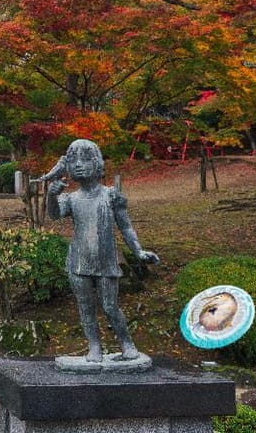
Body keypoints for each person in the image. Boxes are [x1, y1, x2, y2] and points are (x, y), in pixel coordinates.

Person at [40, 139, 159, 362]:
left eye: (85, 159)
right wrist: (51, 196)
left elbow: (126, 226)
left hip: (105, 260)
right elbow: (54, 214)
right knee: (85, 307)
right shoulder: (71, 198)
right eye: (73, 160)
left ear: (97, 163)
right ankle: (94, 346)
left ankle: (126, 343)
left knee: (110, 306)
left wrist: (138, 251)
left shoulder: (111, 195)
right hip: (78, 261)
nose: (78, 165)